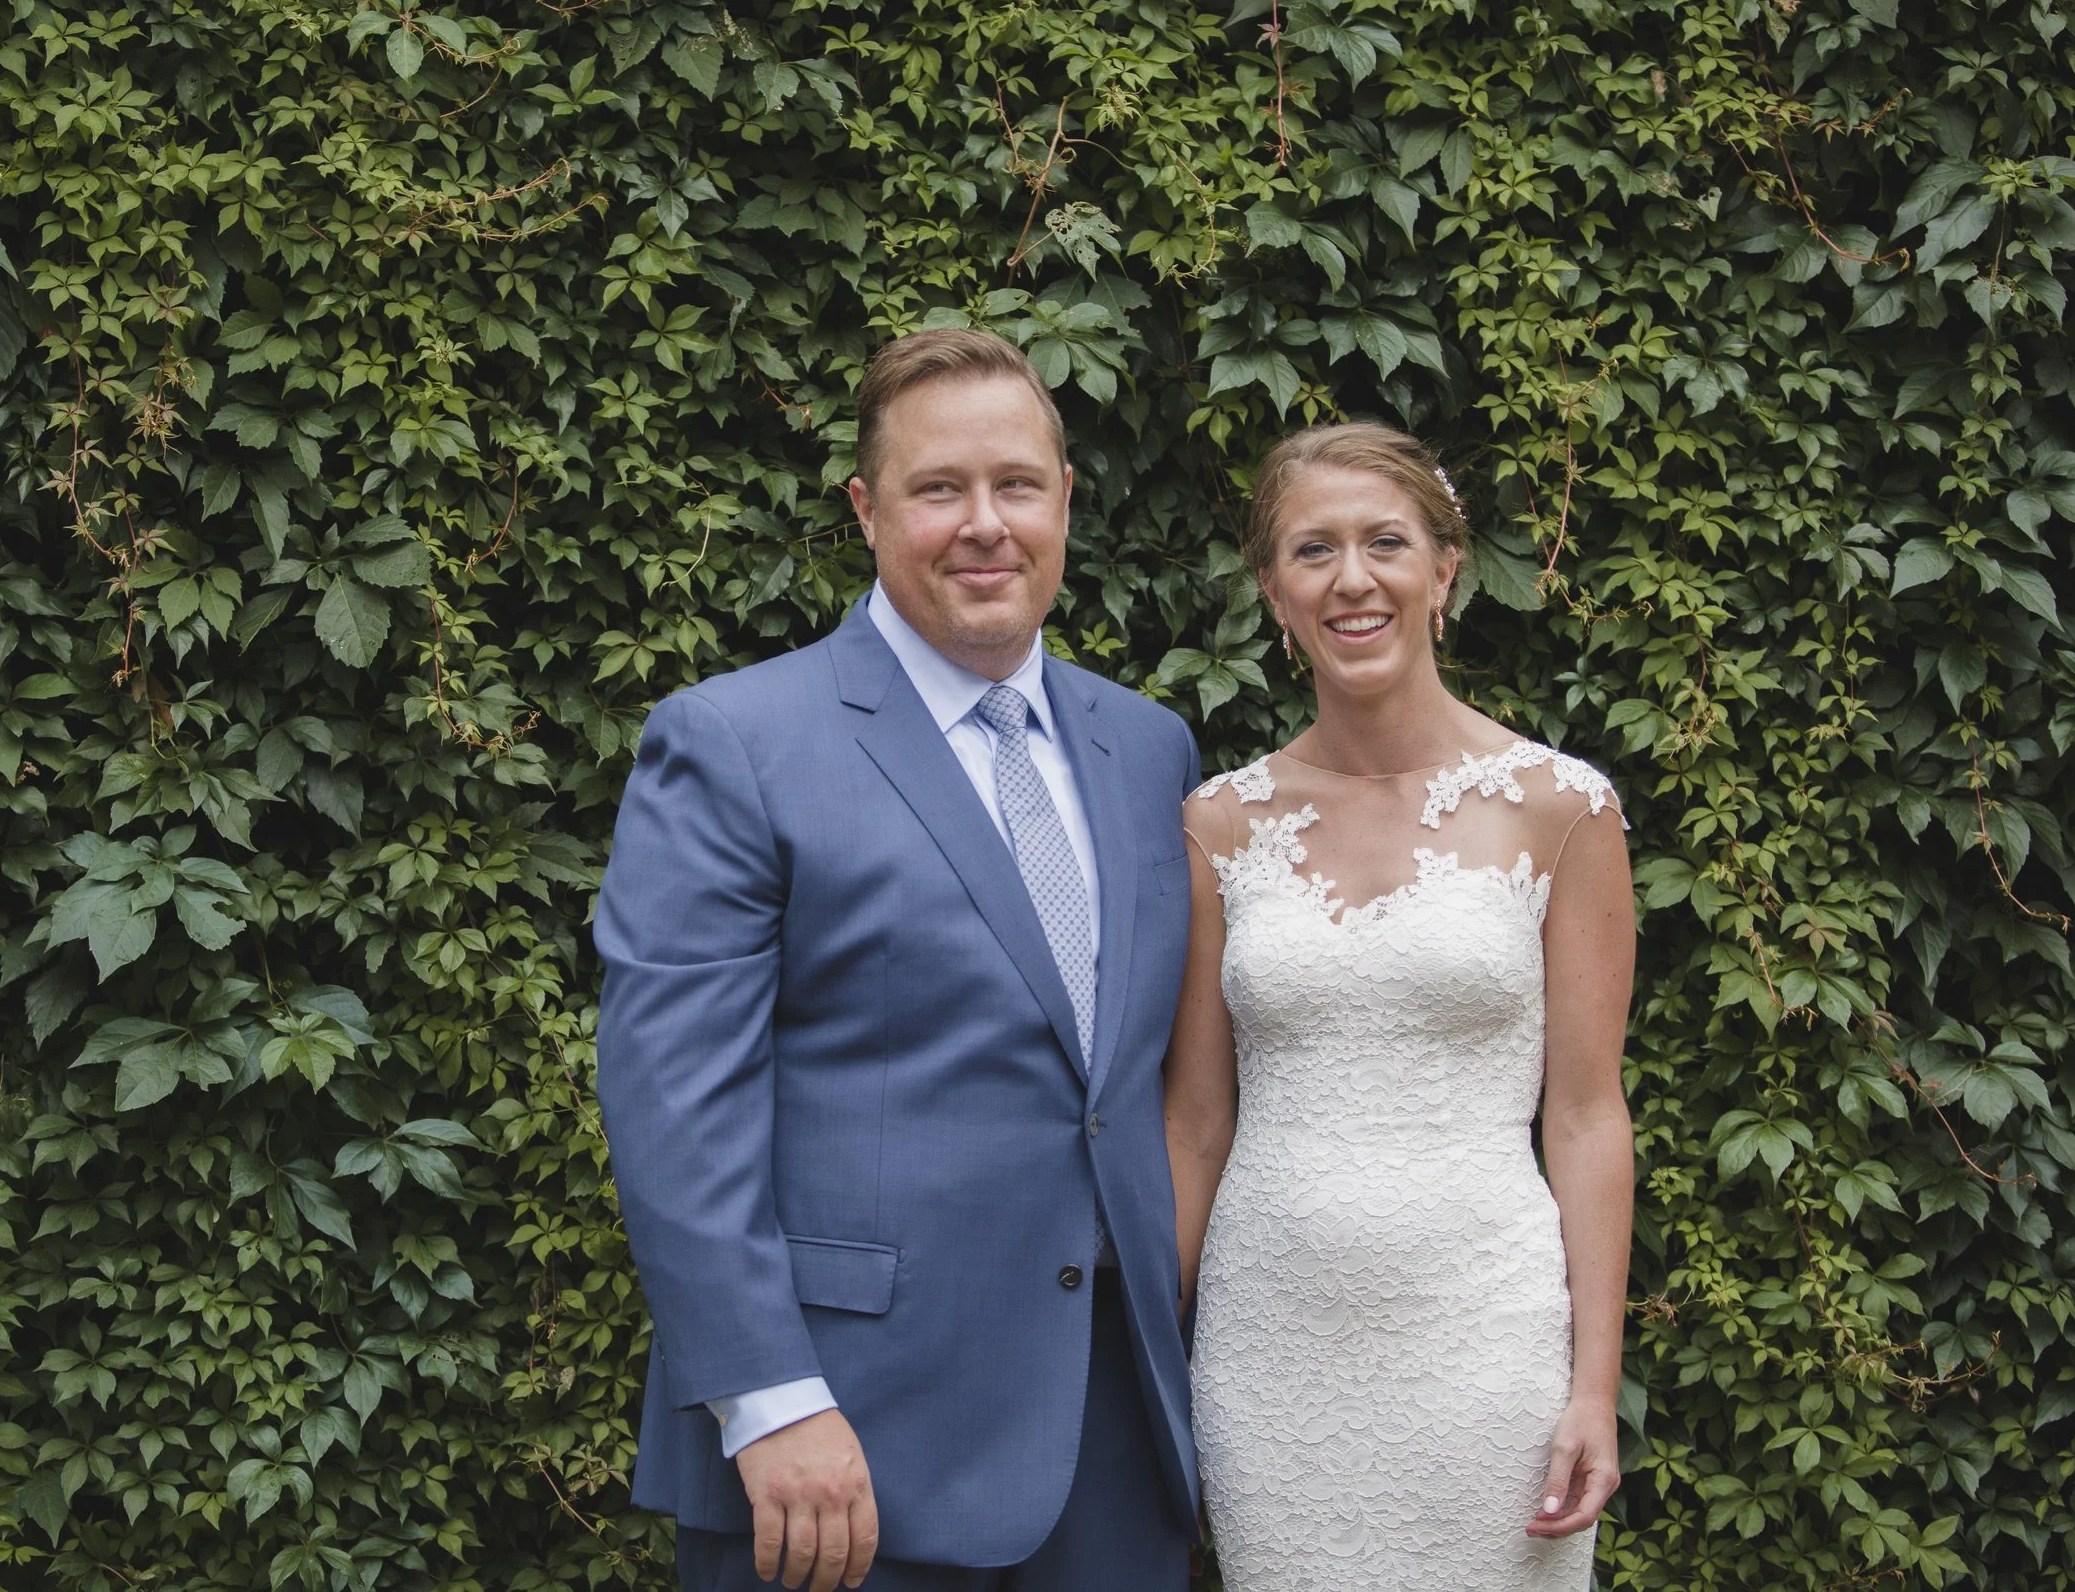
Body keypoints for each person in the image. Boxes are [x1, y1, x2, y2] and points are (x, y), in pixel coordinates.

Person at [595, 328, 1202, 1592]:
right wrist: (769, 1400)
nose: (985, 524)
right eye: (939, 490)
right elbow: (673, 1106)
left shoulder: (1148, 749)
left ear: (1065, 500)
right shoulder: (734, 741)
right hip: (837, 1453)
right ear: (868, 510)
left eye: (1016, 486)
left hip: (1111, 1446)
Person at [1164, 421, 1637, 1590]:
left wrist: (1592, 1386)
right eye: (1312, 550)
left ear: (1445, 569)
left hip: (1486, 1344)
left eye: (1384, 541)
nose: (1352, 577)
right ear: (1274, 592)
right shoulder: (1216, 822)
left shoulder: (1561, 808)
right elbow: (1193, 1121)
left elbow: (1584, 1117)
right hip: (1271, 1348)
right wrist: (1131, 1363)